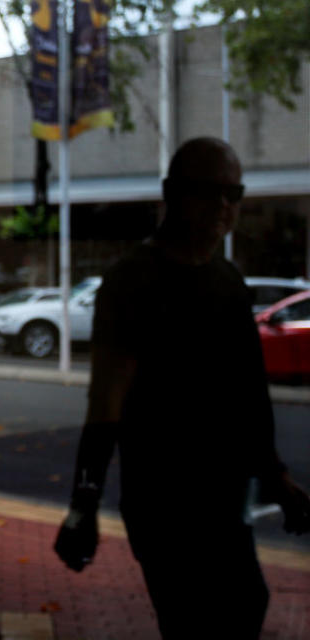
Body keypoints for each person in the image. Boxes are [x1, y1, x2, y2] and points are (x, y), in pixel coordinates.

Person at [53, 137, 310, 638]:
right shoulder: (133, 281)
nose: (222, 206)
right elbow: (106, 403)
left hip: (222, 494)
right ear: (171, 193)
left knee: (245, 603)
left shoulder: (228, 282)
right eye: (206, 191)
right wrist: (83, 505)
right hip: (163, 499)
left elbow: (247, 396)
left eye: (232, 193)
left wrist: (275, 476)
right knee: (197, 619)